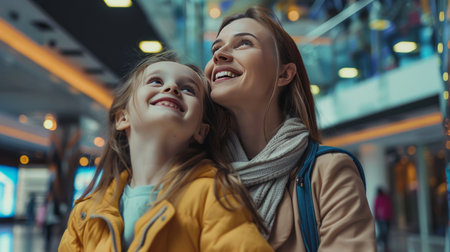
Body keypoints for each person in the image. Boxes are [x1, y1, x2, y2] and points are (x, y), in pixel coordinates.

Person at [59, 52, 273, 252]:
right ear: (122, 118)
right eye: (156, 81)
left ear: (201, 130)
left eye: (188, 89)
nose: (171, 88)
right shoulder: (86, 212)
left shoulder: (213, 195)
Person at [204, 6, 376, 251]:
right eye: (215, 48)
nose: (219, 55)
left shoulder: (328, 172)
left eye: (243, 43)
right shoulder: (198, 170)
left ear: (284, 74)